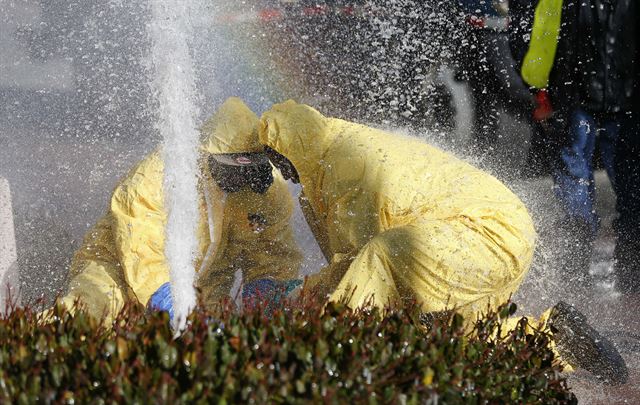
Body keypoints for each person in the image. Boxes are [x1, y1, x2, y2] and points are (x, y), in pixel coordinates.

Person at [259, 100, 627, 383]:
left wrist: (300, 300)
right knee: (457, 338)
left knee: (382, 261)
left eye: (280, 158)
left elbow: (363, 270)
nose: (281, 172)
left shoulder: (344, 167)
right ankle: (554, 337)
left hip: (485, 232)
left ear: (299, 144)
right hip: (491, 231)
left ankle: (329, 364)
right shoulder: (330, 159)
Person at [59, 97, 303, 322]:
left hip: (204, 289)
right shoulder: (162, 173)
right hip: (116, 269)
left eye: (249, 170)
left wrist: (267, 291)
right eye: (232, 169)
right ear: (207, 156)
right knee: (88, 315)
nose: (242, 178)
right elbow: (138, 243)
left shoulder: (267, 192)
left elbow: (272, 253)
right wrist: (167, 297)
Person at [509, 0, 638, 282]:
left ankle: (578, 267)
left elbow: (538, 35)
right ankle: (628, 270)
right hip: (611, 99)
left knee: (581, 181)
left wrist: (538, 86)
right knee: (628, 187)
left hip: (579, 97)